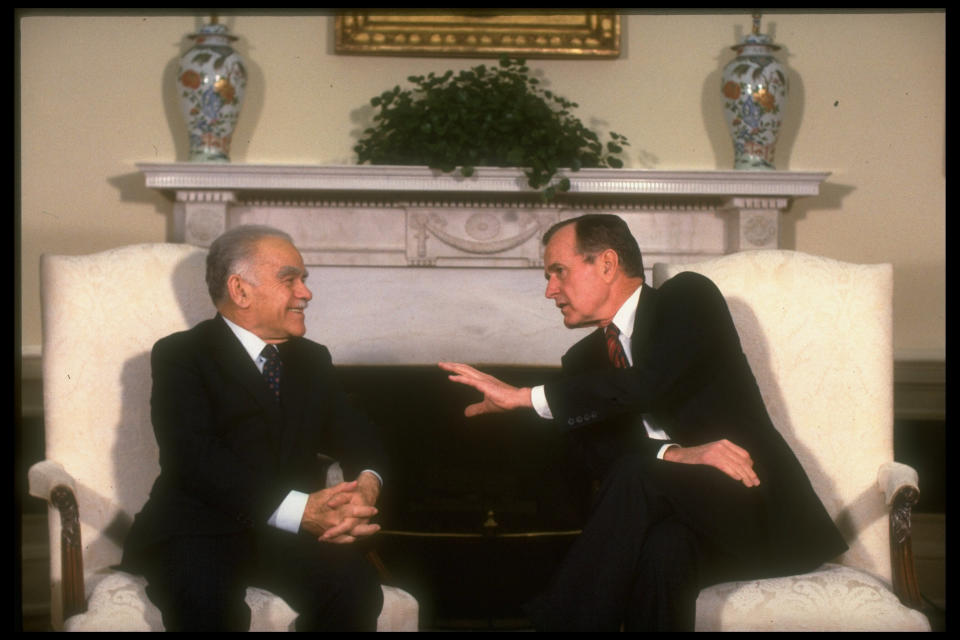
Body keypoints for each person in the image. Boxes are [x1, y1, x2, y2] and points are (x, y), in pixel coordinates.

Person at [439, 214, 848, 631]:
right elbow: (603, 460)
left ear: (607, 264)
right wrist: (678, 453)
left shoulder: (686, 298)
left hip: (758, 511)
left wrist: (524, 397)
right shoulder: (580, 363)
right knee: (662, 551)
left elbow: (649, 384)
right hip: (690, 529)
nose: (549, 291)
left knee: (636, 473)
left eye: (558, 272)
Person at [122, 225, 386, 631]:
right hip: (198, 530)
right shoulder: (181, 355)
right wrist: (302, 511)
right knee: (207, 606)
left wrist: (367, 484)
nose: (306, 293)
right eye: (289, 279)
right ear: (240, 290)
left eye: (304, 280)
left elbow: (357, 433)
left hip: (286, 535)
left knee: (357, 587)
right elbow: (193, 458)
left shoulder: (312, 359)